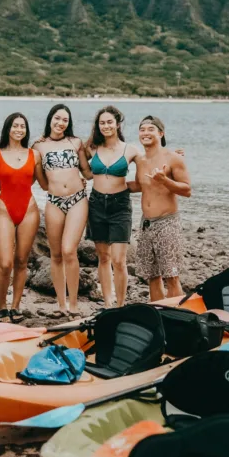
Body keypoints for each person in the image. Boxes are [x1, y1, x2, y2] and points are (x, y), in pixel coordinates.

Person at [0, 113, 49, 323]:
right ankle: (1, 307)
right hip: (4, 210)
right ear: (8, 128)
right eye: (15, 126)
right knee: (5, 262)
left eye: (23, 126)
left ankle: (16, 306)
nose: (19, 129)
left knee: (21, 261)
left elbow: (46, 185)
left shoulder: (34, 155)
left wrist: (75, 182)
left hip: (29, 210)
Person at [33, 104, 92, 318]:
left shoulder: (75, 142)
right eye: (57, 118)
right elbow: (41, 182)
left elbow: (88, 171)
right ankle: (61, 304)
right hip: (54, 201)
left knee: (69, 250)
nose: (60, 123)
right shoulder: (38, 146)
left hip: (77, 200)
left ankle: (74, 304)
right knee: (56, 254)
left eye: (65, 120)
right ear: (50, 119)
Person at [82, 106, 141, 308]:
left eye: (109, 122)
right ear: (98, 126)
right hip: (97, 204)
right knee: (103, 257)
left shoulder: (131, 150)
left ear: (117, 124)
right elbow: (75, 162)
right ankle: (108, 302)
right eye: (102, 123)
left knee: (119, 259)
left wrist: (174, 155)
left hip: (120, 206)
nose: (106, 126)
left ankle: (120, 304)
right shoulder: (91, 147)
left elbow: (149, 169)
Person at [129, 115, 192, 302]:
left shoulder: (173, 158)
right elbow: (142, 185)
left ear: (161, 133)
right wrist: (110, 187)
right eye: (142, 129)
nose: (145, 133)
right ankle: (158, 314)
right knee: (152, 276)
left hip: (167, 223)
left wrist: (165, 180)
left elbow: (187, 190)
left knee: (171, 276)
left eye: (150, 129)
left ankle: (177, 317)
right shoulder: (140, 161)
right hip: (146, 224)